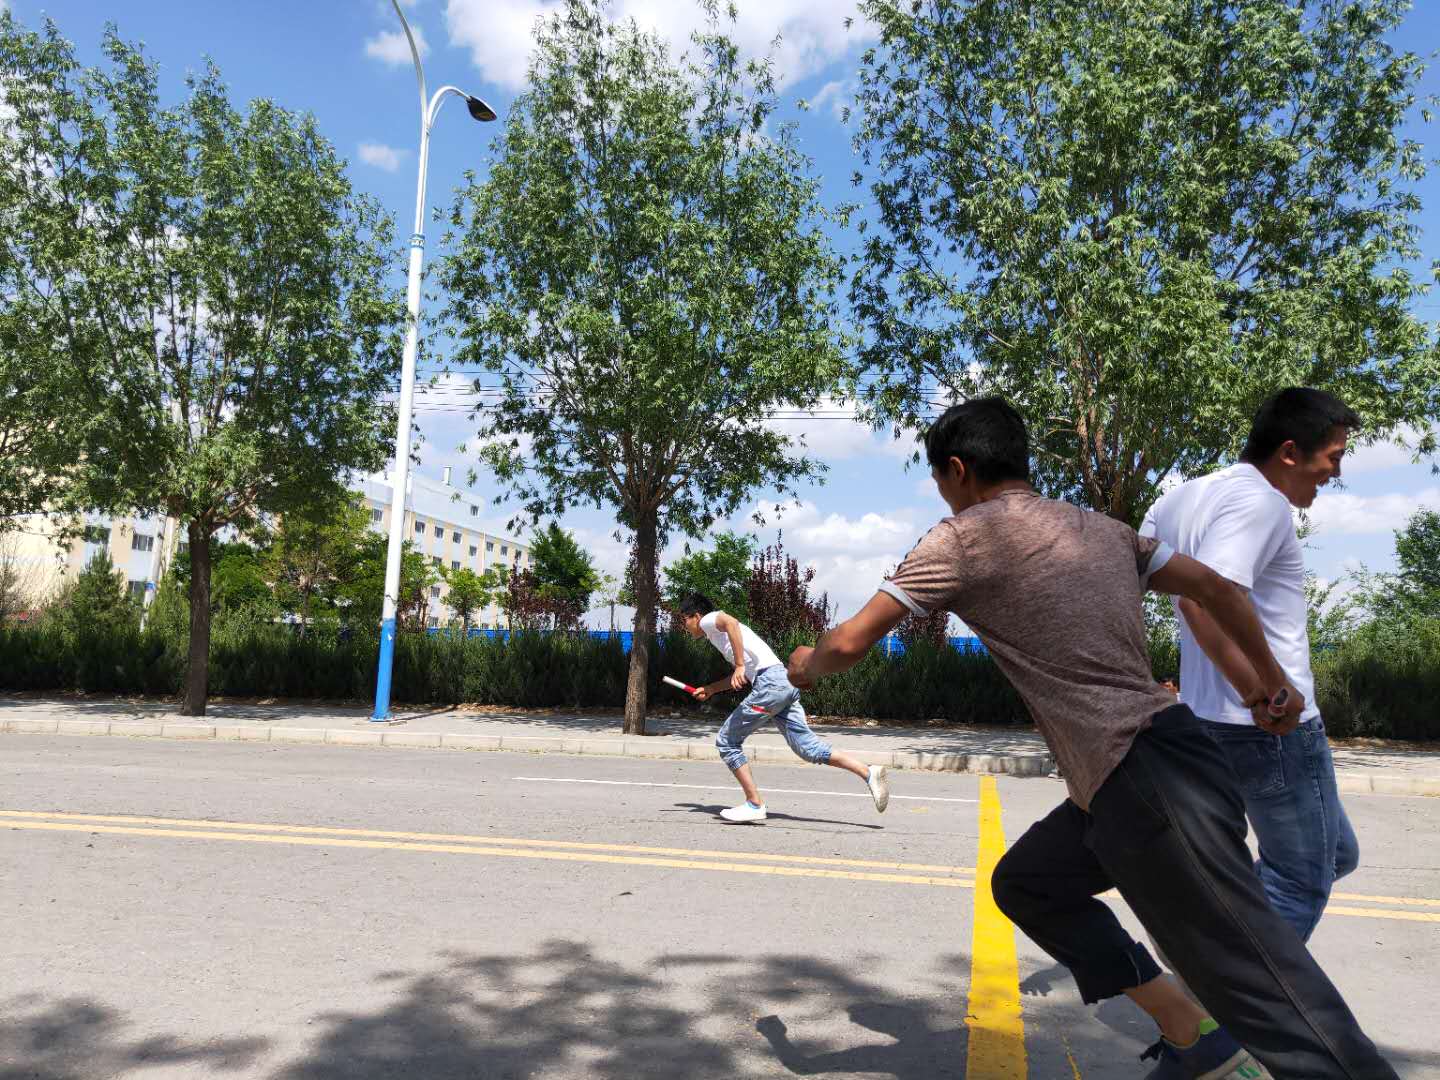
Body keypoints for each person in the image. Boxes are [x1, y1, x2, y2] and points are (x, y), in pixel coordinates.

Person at [786, 398, 1396, 1079]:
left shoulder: (961, 540)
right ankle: (1188, 1031)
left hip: (1149, 780)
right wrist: (1268, 684)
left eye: (939, 481)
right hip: (1129, 776)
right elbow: (1216, 589)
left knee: (1263, 984)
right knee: (1029, 884)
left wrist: (807, 665)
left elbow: (848, 642)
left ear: (957, 470)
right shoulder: (1102, 530)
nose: (943, 495)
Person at [1140, 387, 1359, 942]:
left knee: (1337, 853)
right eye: (1333, 457)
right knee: (1299, 882)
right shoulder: (1262, 501)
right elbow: (1203, 599)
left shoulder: (1178, 499)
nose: (1335, 473)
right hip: (1271, 728)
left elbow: (1142, 581)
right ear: (1289, 452)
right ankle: (1220, 990)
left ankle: (1211, 940)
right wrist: (1262, 692)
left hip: (1210, 721)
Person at [676, 593, 890, 823]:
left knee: (727, 742)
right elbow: (745, 674)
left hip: (770, 684)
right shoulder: (719, 636)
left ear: (696, 616)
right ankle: (868, 772)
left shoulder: (709, 620)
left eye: (683, 619)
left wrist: (738, 665)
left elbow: (731, 623)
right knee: (808, 749)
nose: (683, 626)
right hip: (782, 681)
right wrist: (711, 688)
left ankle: (754, 804)